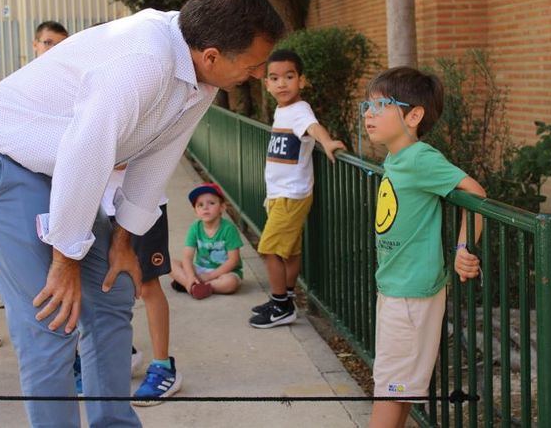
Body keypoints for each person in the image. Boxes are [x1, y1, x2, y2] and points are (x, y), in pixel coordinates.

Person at [0, 0, 284, 427]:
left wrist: (124, 240)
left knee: (114, 290)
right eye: (256, 64)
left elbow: (156, 160)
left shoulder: (201, 79)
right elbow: (84, 151)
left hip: (61, 168)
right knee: (51, 314)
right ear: (212, 55)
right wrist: (65, 257)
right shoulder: (143, 61)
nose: (260, 74)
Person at [360, 67, 484, 428]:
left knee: (389, 389)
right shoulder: (397, 158)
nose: (370, 114)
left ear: (414, 116)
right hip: (398, 288)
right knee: (397, 388)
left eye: (381, 105)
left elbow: (475, 194)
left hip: (411, 296)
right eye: (367, 106)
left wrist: (463, 249)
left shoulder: (419, 158)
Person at [249, 50, 346, 328]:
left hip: (291, 194)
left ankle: (281, 307)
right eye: (275, 78)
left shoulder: (300, 110)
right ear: (267, 84)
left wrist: (326, 142)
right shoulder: (283, 110)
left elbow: (313, 127)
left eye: (289, 77)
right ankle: (286, 298)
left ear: (301, 81)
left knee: (269, 249)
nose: (282, 84)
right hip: (281, 193)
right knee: (288, 251)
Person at [100, 166, 177, 405]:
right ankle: (125, 353)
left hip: (141, 203)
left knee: (147, 285)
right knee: (103, 286)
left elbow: (123, 156)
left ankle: (164, 367)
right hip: (100, 205)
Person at [170, 183, 243, 298]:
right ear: (195, 211)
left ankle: (199, 286)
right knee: (170, 264)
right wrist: (190, 276)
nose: (205, 207)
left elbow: (233, 261)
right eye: (200, 205)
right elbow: (187, 257)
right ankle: (191, 284)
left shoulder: (229, 229)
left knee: (230, 283)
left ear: (222, 207)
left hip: (224, 272)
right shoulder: (195, 228)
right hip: (200, 270)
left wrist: (209, 276)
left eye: (211, 203)